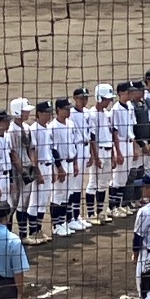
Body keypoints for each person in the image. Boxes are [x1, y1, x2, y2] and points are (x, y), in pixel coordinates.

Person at [85, 84, 116, 225]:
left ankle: (100, 212)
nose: (108, 102)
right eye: (106, 99)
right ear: (98, 98)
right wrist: (95, 156)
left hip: (108, 150)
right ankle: (91, 214)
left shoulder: (106, 113)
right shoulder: (92, 114)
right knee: (93, 183)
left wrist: (113, 154)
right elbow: (92, 137)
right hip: (99, 151)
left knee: (103, 184)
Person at [7, 98, 37, 241]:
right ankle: (8, 235)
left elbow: (31, 148)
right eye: (26, 111)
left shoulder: (27, 128)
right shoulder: (11, 130)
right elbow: (12, 153)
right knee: (12, 203)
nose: (28, 113)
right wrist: (21, 171)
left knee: (24, 202)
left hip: (27, 168)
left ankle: (23, 235)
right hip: (16, 171)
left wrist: (32, 165)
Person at [50, 97, 79, 236]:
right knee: (58, 196)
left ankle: (65, 222)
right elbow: (53, 150)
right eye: (66, 109)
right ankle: (56, 225)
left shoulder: (71, 124)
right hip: (60, 165)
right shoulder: (53, 127)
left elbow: (74, 145)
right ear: (58, 110)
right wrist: (59, 168)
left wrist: (75, 164)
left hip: (70, 162)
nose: (68, 111)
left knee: (67, 195)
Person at [109, 82, 137, 216]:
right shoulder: (115, 109)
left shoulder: (130, 106)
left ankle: (119, 205)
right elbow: (114, 132)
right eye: (128, 92)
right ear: (120, 93)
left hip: (129, 143)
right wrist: (118, 152)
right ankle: (112, 207)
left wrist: (135, 147)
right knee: (117, 177)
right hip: (119, 144)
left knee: (124, 177)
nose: (131, 94)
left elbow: (132, 128)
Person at [29, 102, 55, 243]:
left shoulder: (47, 128)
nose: (48, 115)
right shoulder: (34, 129)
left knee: (43, 200)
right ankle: (32, 232)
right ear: (38, 113)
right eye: (46, 112)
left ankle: (38, 230)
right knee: (35, 201)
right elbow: (33, 153)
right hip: (39, 167)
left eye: (50, 112)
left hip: (48, 166)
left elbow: (50, 150)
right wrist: (37, 172)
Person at [69, 88, 93, 228]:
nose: (84, 100)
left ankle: (77, 216)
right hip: (76, 149)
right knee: (74, 185)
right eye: (81, 98)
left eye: (85, 98)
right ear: (75, 98)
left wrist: (90, 153)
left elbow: (89, 132)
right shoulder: (70, 114)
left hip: (85, 148)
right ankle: (71, 217)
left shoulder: (87, 112)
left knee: (80, 185)